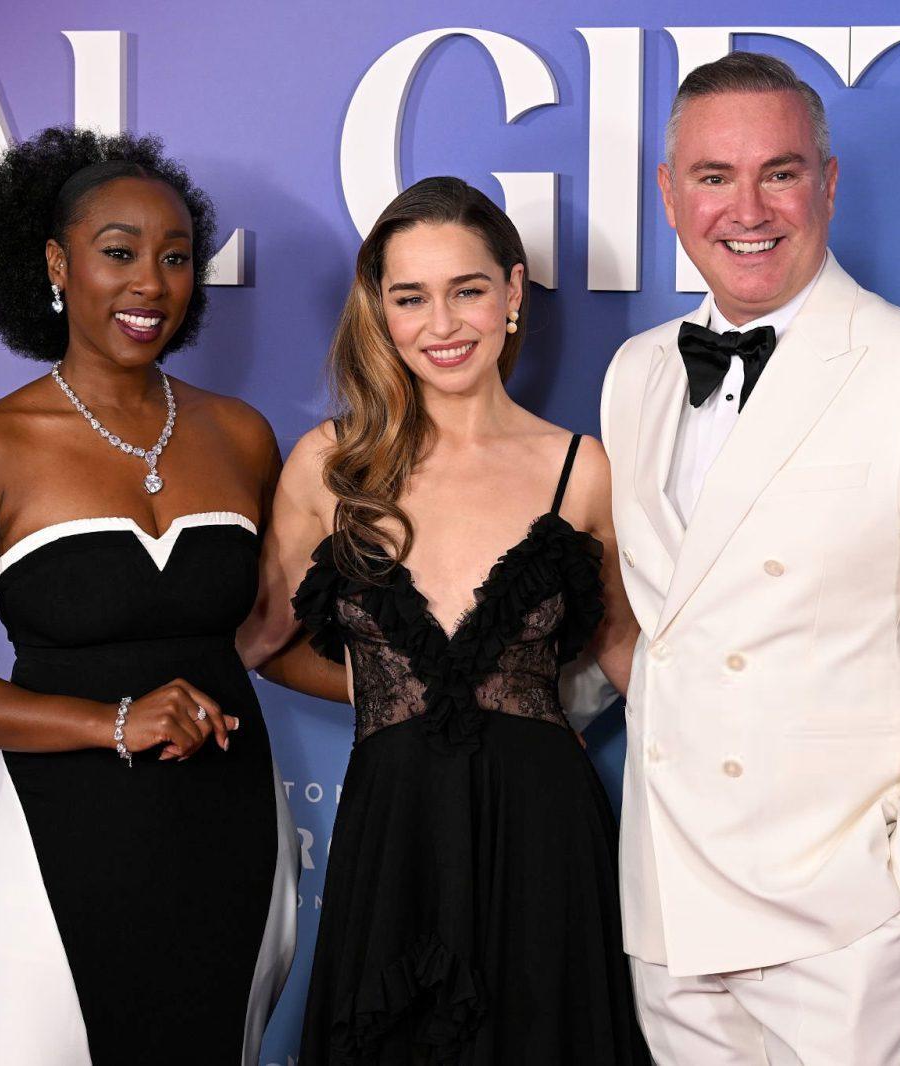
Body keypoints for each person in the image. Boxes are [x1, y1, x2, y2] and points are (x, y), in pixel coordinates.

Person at [597, 53, 900, 1064]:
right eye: (714, 176)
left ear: (828, 184)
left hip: (841, 911)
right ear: (669, 194)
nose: (747, 210)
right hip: (670, 901)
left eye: (781, 173)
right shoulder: (635, 373)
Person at [0, 126, 298, 1066]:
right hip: (54, 823)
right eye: (119, 253)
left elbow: (271, 633)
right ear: (56, 265)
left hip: (227, 822)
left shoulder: (241, 436)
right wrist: (112, 723)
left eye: (176, 258)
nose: (150, 284)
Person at [239, 176, 649, 1065]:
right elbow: (259, 640)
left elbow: (628, 655)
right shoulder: (331, 466)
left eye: (467, 290)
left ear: (512, 292)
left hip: (545, 836)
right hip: (395, 837)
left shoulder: (582, 469)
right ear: (379, 311)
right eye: (410, 297)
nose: (443, 324)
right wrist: (390, 688)